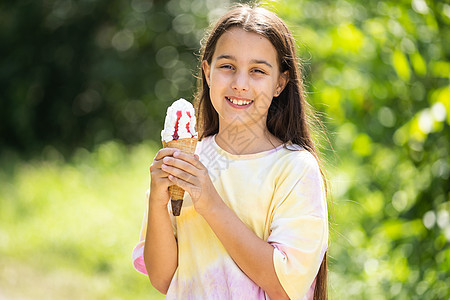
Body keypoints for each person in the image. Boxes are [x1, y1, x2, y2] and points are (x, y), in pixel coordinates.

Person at [132, 4, 329, 300]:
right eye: (227, 67)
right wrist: (158, 201)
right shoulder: (187, 162)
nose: (240, 84)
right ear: (208, 72)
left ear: (280, 83)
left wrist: (209, 202)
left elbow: (285, 286)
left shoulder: (295, 169)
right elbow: (163, 279)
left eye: (258, 71)